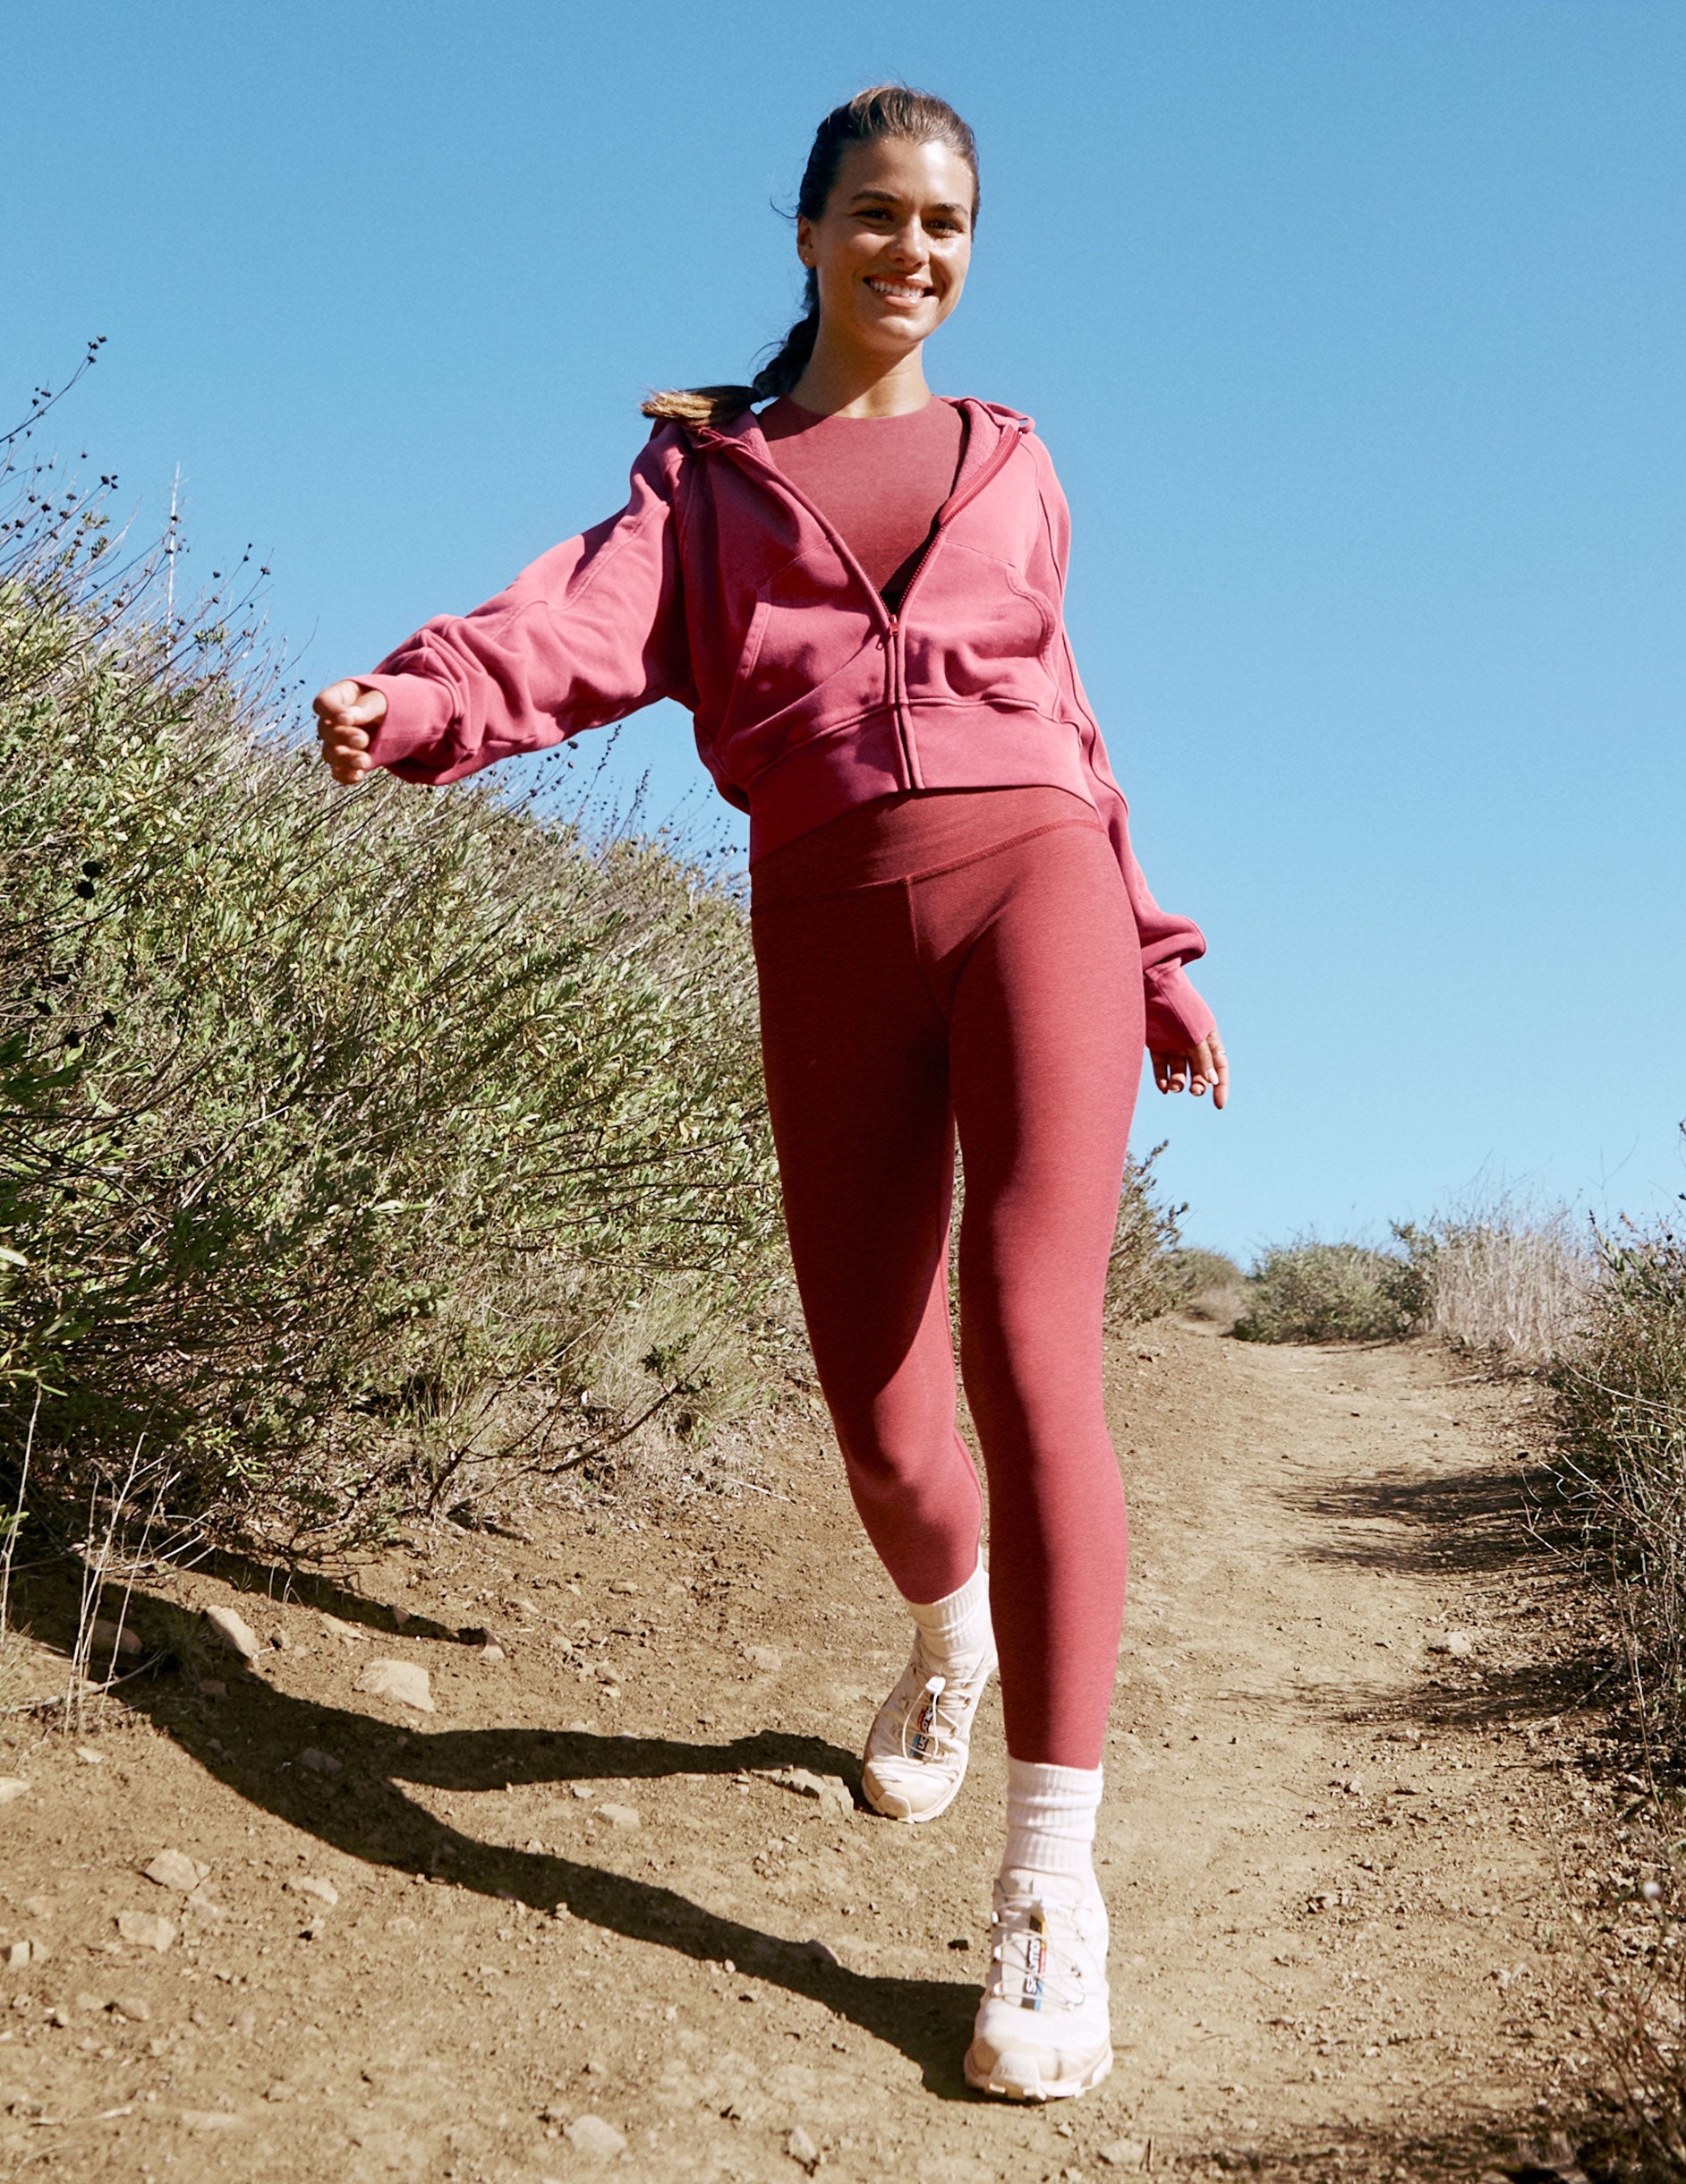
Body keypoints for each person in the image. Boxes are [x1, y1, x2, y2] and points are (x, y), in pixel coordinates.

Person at [314, 84, 1228, 2103]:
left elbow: (1066, 704)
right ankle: (948, 1631)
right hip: (825, 912)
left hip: (1038, 882)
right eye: (884, 215)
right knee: (890, 1426)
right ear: (807, 231)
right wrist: (422, 701)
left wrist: (1152, 949)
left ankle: (1051, 1885)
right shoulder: (707, 479)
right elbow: (570, 625)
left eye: (953, 223)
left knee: (1027, 1339)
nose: (919, 251)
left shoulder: (1017, 457)